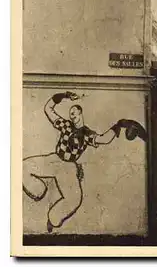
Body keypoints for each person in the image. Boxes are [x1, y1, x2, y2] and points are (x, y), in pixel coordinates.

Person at [23, 91, 147, 233]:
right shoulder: (65, 125)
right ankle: (39, 192)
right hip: (54, 159)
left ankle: (53, 219)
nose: (72, 115)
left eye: (74, 112)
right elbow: (48, 109)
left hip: (67, 167)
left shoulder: (86, 133)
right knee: (23, 166)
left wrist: (118, 125)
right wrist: (63, 95)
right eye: (70, 113)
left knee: (74, 200)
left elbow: (103, 139)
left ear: (80, 113)